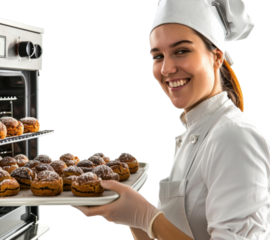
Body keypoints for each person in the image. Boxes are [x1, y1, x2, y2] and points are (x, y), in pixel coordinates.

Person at [70, 1, 270, 239]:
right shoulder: (192, 133)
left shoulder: (234, 137)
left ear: (216, 57)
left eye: (181, 51)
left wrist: (147, 216)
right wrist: (132, 217)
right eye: (157, 56)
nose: (166, 69)